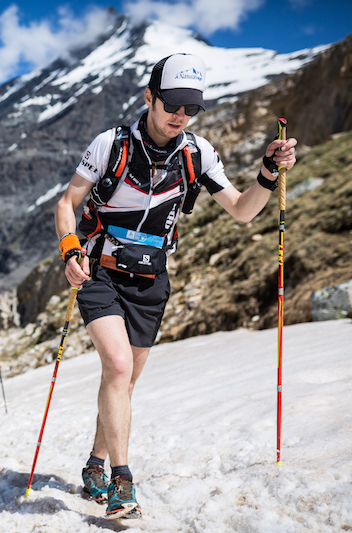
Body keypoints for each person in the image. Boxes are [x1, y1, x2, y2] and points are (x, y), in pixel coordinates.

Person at [55, 53, 297, 519]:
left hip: (151, 277)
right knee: (119, 366)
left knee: (123, 383)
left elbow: (244, 211)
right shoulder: (112, 144)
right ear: (149, 96)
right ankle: (122, 484)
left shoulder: (197, 154)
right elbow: (68, 202)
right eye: (171, 104)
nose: (180, 116)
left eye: (190, 108)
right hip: (99, 266)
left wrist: (269, 172)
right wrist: (70, 249)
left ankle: (95, 464)